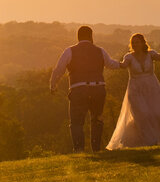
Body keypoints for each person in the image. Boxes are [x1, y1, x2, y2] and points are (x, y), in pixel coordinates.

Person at [49, 25, 122, 153]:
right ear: (91, 36)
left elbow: (59, 69)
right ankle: (96, 149)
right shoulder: (100, 51)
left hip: (79, 89)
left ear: (78, 36)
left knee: (77, 122)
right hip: (98, 88)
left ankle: (79, 149)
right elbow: (111, 64)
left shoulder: (70, 51)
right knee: (97, 119)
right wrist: (124, 63)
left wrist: (53, 84)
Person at [106, 33, 160, 150]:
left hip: (152, 87)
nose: (135, 44)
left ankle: (158, 138)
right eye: (133, 43)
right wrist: (110, 63)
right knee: (143, 114)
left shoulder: (150, 54)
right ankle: (147, 140)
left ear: (143, 43)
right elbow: (123, 65)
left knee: (158, 113)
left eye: (137, 42)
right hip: (135, 89)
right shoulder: (129, 57)